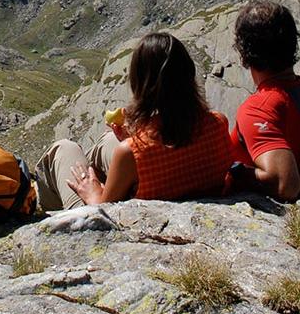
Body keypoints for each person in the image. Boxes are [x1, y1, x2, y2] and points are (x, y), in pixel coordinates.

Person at [35, 32, 236, 210]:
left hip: (128, 218)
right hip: (180, 192)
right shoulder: (218, 123)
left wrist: (93, 192)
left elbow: (105, 211)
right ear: (189, 75)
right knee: (109, 141)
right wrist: (134, 138)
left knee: (64, 149)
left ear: (142, 85)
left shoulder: (131, 153)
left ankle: (41, 210)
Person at [229, 0, 300, 201]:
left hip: (273, 213)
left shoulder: (259, 107)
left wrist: (234, 170)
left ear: (244, 53)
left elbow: (285, 184)